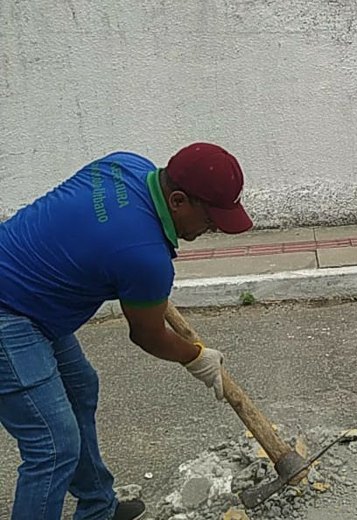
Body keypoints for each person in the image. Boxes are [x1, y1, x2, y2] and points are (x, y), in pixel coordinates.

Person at [0, 143, 253, 519]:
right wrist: (197, 357)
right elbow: (147, 335)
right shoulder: (145, 258)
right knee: (53, 447)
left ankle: (98, 509)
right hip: (10, 315)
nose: (213, 228)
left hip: (29, 295)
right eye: (211, 219)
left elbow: (99, 225)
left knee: (80, 388)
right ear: (179, 201)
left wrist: (127, 263)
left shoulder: (126, 164)